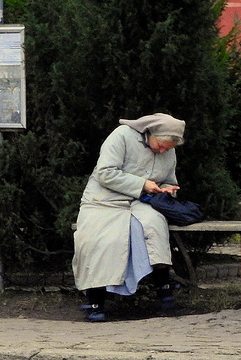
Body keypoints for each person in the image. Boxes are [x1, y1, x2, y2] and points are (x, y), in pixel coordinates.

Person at [72, 113, 186, 322]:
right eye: (161, 145)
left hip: (141, 203)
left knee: (154, 228)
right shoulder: (122, 136)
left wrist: (167, 191)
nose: (163, 150)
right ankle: (96, 300)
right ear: (150, 133)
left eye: (168, 149)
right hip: (103, 201)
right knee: (102, 239)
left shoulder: (169, 151)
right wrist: (142, 184)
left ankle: (164, 290)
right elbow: (105, 173)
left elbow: (169, 180)